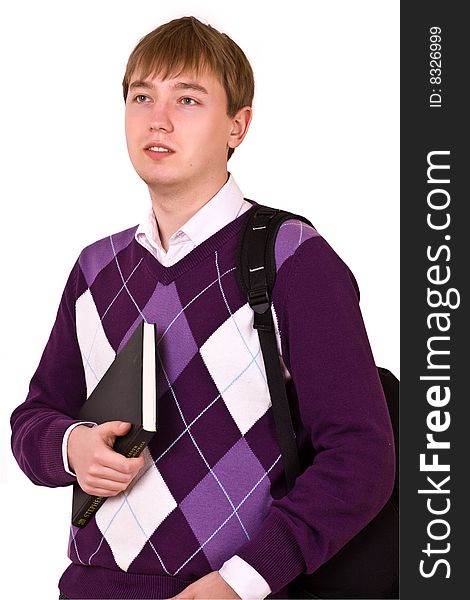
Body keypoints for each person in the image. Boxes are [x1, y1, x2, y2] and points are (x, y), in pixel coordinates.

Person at [10, 16, 395, 600]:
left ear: (237, 126)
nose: (158, 119)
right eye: (143, 96)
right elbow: (34, 418)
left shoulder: (292, 258)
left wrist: (245, 581)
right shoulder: (96, 269)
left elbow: (362, 458)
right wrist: (71, 448)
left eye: (188, 99)